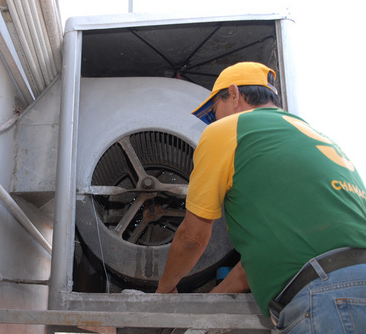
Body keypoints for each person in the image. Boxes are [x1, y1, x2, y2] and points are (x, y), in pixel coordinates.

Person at [156, 62, 366, 333]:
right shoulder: (316, 137)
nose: (213, 121)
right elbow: (260, 260)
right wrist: (213, 299)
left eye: (212, 113)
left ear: (234, 95)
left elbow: (193, 237)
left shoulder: (230, 129)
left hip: (328, 299)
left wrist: (165, 290)